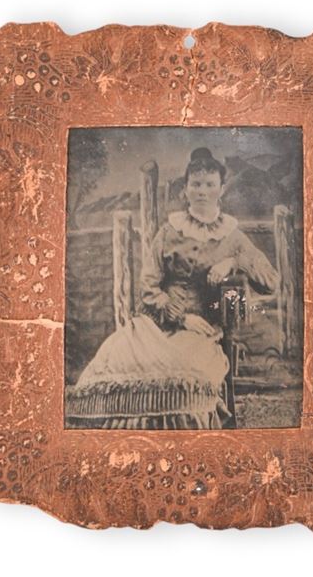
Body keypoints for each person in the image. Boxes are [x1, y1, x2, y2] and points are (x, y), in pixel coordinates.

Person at [65, 147, 279, 429]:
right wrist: (179, 316)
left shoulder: (232, 237)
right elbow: (148, 286)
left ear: (221, 189)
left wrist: (234, 262)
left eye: (209, 185)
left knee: (183, 377)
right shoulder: (168, 232)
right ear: (186, 190)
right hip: (157, 323)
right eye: (196, 184)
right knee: (115, 357)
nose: (202, 192)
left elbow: (270, 282)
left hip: (203, 328)